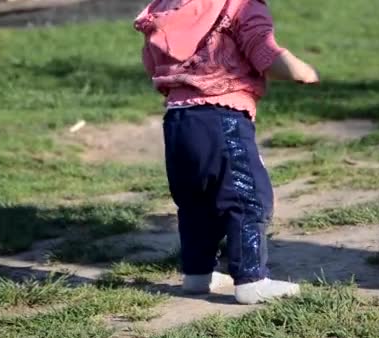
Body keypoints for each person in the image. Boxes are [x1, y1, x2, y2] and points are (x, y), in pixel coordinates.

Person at [134, 0, 319, 305]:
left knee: (196, 201)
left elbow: (151, 62)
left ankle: (197, 274)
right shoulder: (240, 5)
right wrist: (301, 70)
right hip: (224, 116)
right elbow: (264, 51)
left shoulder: (167, 7)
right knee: (248, 197)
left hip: (178, 120)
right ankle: (251, 279)